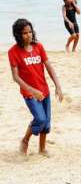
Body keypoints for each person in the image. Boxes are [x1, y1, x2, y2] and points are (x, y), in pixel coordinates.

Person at [9, 19, 64, 156]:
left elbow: (49, 67)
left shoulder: (39, 47)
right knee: (40, 119)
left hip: (44, 91)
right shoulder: (13, 52)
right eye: (24, 33)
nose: (28, 35)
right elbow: (15, 77)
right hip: (29, 93)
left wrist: (58, 86)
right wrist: (33, 91)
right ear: (18, 35)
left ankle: (42, 148)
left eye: (30, 32)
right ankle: (25, 140)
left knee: (46, 123)